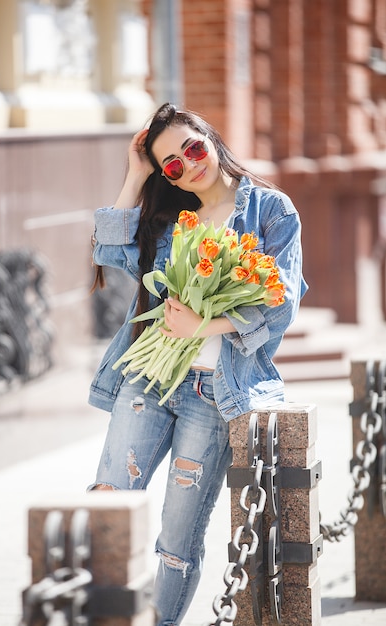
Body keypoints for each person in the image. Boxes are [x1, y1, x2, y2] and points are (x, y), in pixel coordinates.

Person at [88, 102, 308, 625]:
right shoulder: (170, 219)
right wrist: (135, 173)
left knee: (176, 538)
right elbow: (109, 250)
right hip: (148, 381)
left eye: (192, 147)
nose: (188, 164)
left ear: (210, 138)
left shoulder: (271, 211)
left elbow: (281, 301)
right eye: (171, 164)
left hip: (215, 394)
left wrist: (203, 326)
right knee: (109, 502)